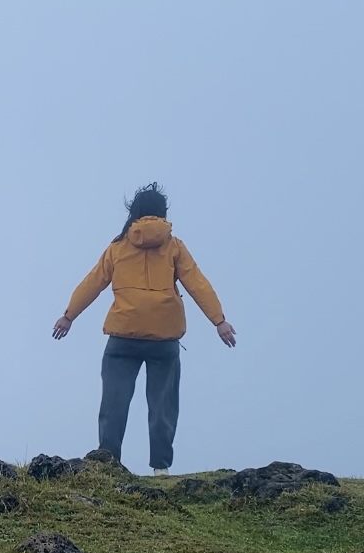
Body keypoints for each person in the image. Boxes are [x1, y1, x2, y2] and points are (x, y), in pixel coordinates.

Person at [52, 183, 235, 476]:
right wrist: (219, 321)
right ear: (162, 213)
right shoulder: (174, 246)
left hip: (123, 337)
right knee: (163, 406)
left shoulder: (118, 247)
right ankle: (160, 469)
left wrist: (69, 316)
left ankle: (108, 465)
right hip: (164, 338)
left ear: (134, 212)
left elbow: (92, 283)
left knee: (114, 403)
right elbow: (197, 283)